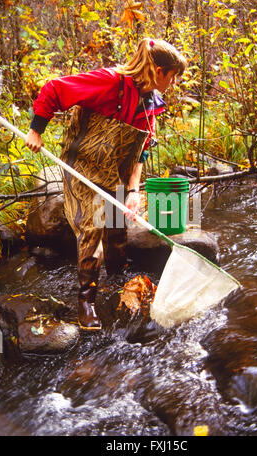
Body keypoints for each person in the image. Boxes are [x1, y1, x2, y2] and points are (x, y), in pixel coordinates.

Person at [26, 37, 187, 331]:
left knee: (116, 229)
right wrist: (37, 130)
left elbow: (142, 150)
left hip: (117, 172)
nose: (173, 83)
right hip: (84, 166)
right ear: (159, 70)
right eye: (173, 76)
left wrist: (134, 190)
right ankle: (86, 300)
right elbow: (54, 89)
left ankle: (116, 277)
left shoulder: (151, 102)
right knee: (92, 228)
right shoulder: (109, 82)